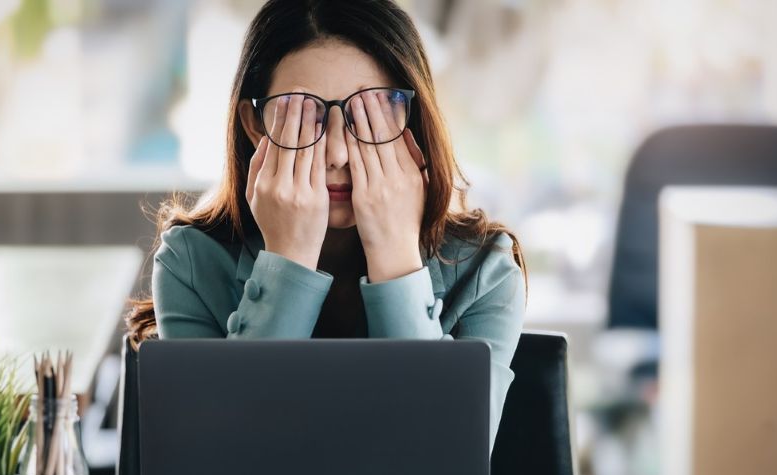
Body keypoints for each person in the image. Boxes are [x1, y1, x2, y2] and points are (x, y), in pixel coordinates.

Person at [126, 0, 528, 447]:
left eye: (368, 115)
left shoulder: (485, 273)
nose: (337, 153)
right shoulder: (191, 262)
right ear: (255, 125)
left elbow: (447, 459)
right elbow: (219, 455)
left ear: (410, 121)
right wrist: (287, 260)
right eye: (304, 115)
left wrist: (395, 253)